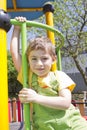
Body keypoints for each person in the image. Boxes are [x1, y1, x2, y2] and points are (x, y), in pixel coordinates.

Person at [10, 17, 87, 130]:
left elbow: (65, 102)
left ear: (53, 59)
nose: (39, 64)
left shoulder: (59, 76)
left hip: (71, 125)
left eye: (44, 58)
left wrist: (36, 97)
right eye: (34, 59)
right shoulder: (29, 76)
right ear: (28, 60)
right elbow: (14, 53)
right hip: (45, 126)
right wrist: (17, 29)